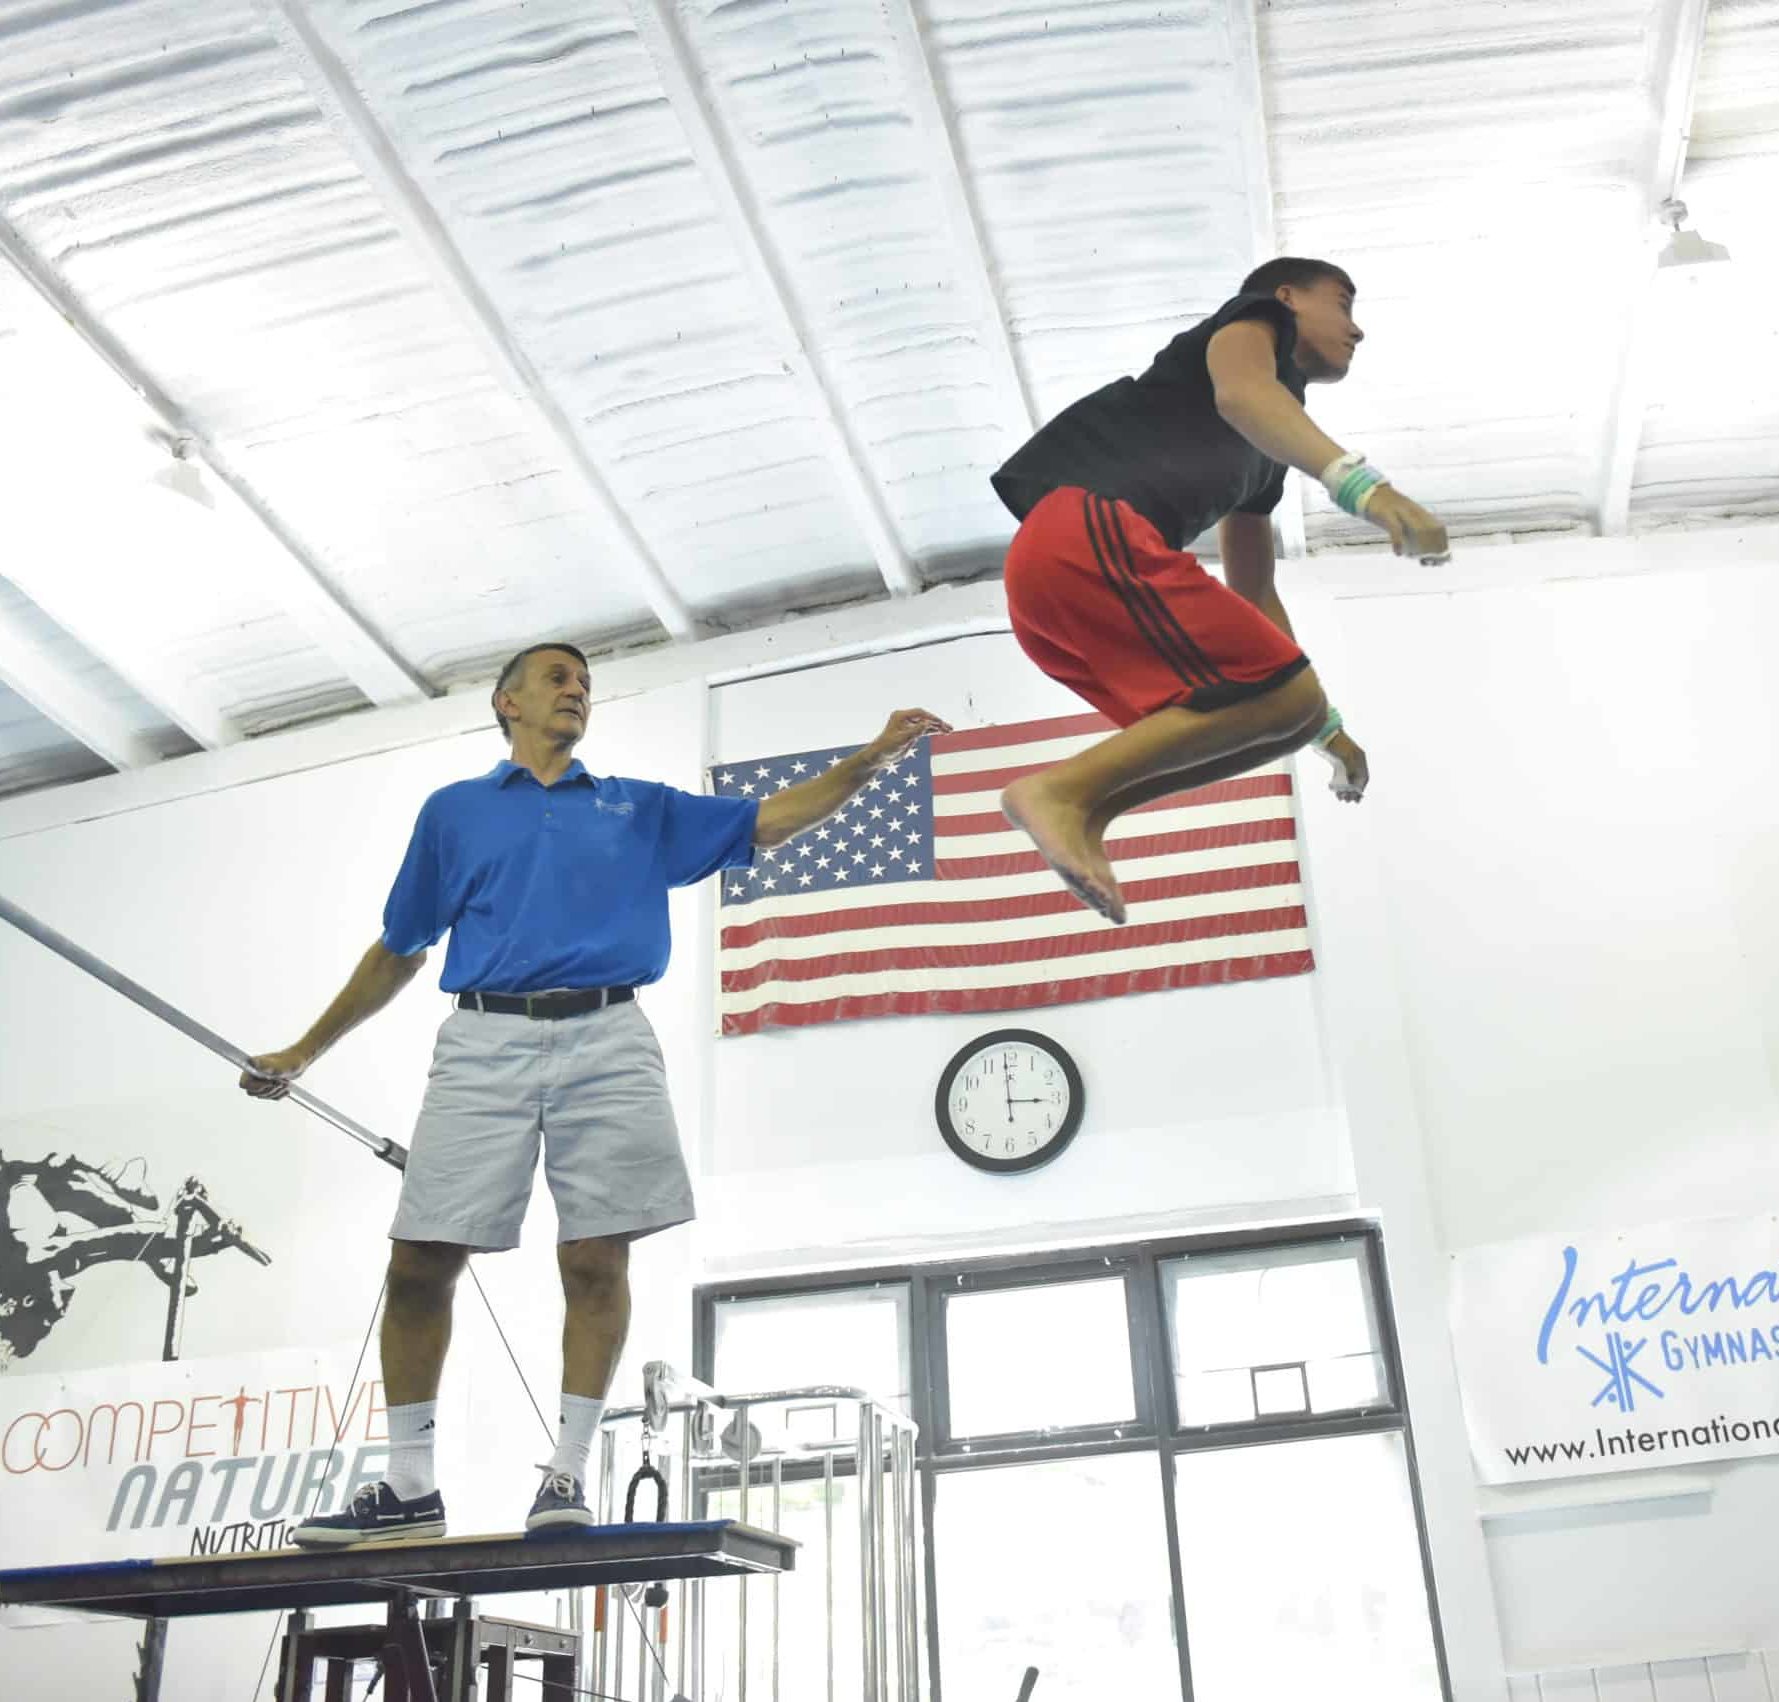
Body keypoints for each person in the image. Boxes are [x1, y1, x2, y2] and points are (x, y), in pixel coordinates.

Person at [240, 641, 947, 1545]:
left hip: (610, 1035)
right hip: (482, 1038)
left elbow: (769, 821)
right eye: (556, 679)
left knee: (594, 1259)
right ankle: (409, 1489)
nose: (576, 690)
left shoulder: (635, 808)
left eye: (585, 683)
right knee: (419, 1263)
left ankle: (566, 1476)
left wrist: (868, 758)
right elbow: (400, 947)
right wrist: (305, 1049)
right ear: (507, 704)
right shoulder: (455, 814)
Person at [989, 257, 1451, 925]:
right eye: (1344, 305)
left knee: (1281, 716)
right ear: (1287, 297)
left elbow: (1255, 594)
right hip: (1083, 533)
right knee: (1281, 691)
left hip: (1066, 581)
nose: (1357, 331)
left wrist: (1329, 733)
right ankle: (1057, 790)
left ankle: (1087, 808)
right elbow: (1242, 394)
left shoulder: (1264, 456)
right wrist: (1365, 488)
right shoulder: (1249, 322)